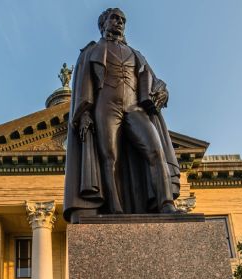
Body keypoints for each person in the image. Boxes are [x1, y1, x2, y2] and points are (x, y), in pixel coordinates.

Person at [63, 8, 181, 223]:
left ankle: (166, 204)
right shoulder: (91, 51)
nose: (119, 23)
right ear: (103, 24)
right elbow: (83, 86)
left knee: (156, 152)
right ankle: (115, 208)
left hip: (134, 108)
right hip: (105, 106)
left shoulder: (136, 54)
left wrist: (162, 90)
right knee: (110, 157)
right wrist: (84, 114)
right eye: (114, 18)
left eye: (122, 20)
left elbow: (155, 82)